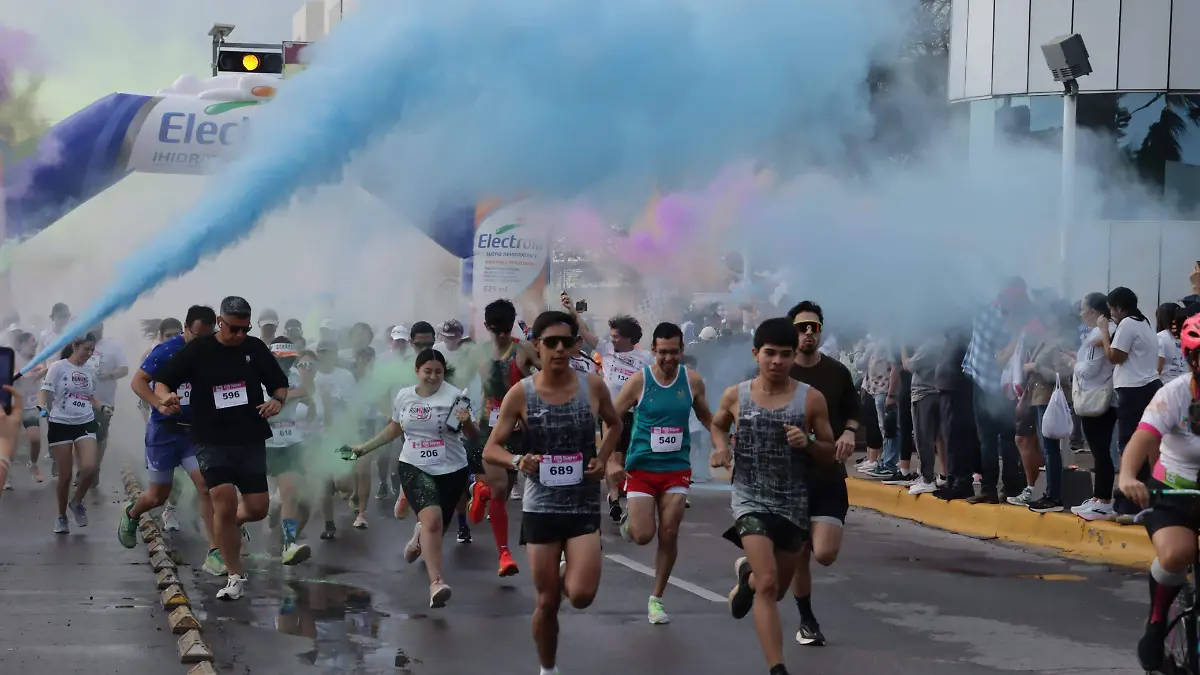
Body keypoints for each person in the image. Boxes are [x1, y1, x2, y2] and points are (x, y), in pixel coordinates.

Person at [484, 310, 622, 675]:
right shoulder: (521, 393)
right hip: (541, 507)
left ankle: (573, 567)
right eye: (551, 343)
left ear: (576, 345)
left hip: (582, 504)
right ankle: (548, 669)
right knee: (546, 602)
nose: (559, 350)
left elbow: (615, 422)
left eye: (567, 342)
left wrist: (603, 459)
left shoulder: (592, 385)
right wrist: (518, 460)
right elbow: (490, 449)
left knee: (580, 595)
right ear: (537, 347)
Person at [710, 317, 835, 675]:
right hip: (749, 497)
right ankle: (777, 668)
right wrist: (720, 449)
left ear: (795, 356)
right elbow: (719, 423)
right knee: (768, 585)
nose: (777, 361)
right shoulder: (737, 394)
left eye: (784, 354)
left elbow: (829, 452)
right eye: (769, 353)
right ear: (756, 354)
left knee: (776, 589)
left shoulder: (810, 399)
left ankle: (747, 577)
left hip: (793, 502)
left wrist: (808, 442)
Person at [152, 296, 289, 601]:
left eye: (245, 329)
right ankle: (234, 575)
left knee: (257, 509)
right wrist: (165, 398)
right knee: (223, 502)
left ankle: (229, 525)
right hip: (211, 438)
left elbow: (280, 384)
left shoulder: (254, 349)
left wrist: (277, 401)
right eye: (234, 329)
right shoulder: (199, 350)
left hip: (250, 436)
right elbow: (162, 382)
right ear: (220, 323)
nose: (240, 335)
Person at [351, 348, 478, 608]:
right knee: (432, 520)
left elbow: (474, 436)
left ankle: (419, 535)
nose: (432, 377)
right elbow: (395, 428)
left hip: (452, 469)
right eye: (427, 371)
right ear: (417, 371)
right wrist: (365, 447)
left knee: (436, 528)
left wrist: (467, 423)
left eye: (438, 372)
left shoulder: (456, 397)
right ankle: (436, 583)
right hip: (414, 466)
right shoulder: (405, 396)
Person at [610, 321, 713, 625]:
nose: (668, 358)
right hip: (641, 467)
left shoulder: (692, 381)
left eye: (674, 352)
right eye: (663, 352)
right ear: (653, 350)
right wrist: (610, 461)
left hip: (676, 469)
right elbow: (612, 419)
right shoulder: (638, 381)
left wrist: (726, 440)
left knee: (669, 531)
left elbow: (707, 416)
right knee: (643, 535)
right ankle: (629, 523)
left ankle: (656, 599)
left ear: (682, 351)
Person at [1118, 311, 1200, 672]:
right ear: (1191, 357)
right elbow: (1141, 440)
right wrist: (1127, 476)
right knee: (1177, 554)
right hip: (1175, 493)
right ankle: (1155, 624)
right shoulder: (1175, 394)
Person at [120, 306, 222, 573]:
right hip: (165, 432)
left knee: (206, 486)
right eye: (196, 336)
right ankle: (132, 513)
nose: (201, 342)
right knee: (157, 497)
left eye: (207, 336)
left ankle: (215, 551)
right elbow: (137, 383)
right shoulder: (165, 351)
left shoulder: (214, 351)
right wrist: (158, 403)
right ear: (186, 328)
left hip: (194, 433)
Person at [783, 302, 858, 647]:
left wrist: (849, 432)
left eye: (814, 327)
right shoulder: (780, 373)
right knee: (799, 553)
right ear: (792, 332)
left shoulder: (837, 372)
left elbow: (853, 411)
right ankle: (807, 619)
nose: (808, 333)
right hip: (791, 476)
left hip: (827, 472)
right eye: (802, 327)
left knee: (825, 553)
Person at [563, 294, 654, 523]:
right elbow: (584, 333)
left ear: (629, 338)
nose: (612, 340)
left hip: (635, 415)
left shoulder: (645, 357)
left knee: (624, 459)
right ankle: (614, 501)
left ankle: (627, 491)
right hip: (610, 415)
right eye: (611, 336)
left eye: (616, 337)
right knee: (611, 456)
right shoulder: (605, 350)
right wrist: (573, 310)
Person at [465, 300, 538, 577]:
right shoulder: (477, 353)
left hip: (519, 429)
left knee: (502, 492)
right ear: (487, 328)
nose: (503, 335)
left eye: (507, 329)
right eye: (497, 331)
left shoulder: (524, 349)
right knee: (498, 487)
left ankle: (479, 492)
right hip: (488, 428)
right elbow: (454, 378)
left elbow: (552, 371)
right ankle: (504, 554)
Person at [1101, 287, 1163, 516]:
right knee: (1147, 447)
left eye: (1111, 310)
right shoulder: (1143, 322)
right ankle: (1147, 501)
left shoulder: (1126, 324)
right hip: (1148, 388)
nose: (1111, 315)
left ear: (1118, 307)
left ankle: (1129, 505)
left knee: (1129, 446)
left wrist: (1104, 332)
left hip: (1134, 391)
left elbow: (1115, 356)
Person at [39, 333, 102, 534]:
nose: (90, 354)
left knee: (90, 467)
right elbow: (45, 390)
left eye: (93, 350)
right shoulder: (58, 367)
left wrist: (103, 407)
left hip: (85, 421)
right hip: (60, 423)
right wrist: (41, 405)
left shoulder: (91, 370)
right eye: (86, 349)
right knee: (65, 477)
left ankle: (76, 502)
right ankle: (61, 516)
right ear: (75, 346)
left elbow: (90, 397)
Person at [264, 337, 314, 565]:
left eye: (289, 360)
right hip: (265, 441)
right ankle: (229, 530)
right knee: (253, 503)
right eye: (279, 360)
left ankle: (288, 543)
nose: (285, 365)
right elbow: (270, 403)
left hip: (291, 440)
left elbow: (307, 399)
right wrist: (298, 392)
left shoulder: (294, 375)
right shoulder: (259, 375)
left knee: (291, 491)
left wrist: (305, 392)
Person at [1069, 293, 1118, 521]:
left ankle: (1103, 500)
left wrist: (1073, 364)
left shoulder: (1099, 334)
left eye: (1083, 309)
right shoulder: (1106, 331)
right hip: (1102, 397)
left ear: (1095, 312)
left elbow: (1088, 370)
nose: (1081, 314)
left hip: (1095, 398)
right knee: (1100, 451)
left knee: (1100, 452)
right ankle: (1098, 498)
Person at [84, 322, 129, 487]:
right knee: (80, 436)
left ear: (102, 326)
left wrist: (109, 374)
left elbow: (124, 369)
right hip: (81, 399)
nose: (94, 329)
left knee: (100, 437)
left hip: (105, 401)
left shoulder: (113, 346)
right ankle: (84, 471)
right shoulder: (80, 344)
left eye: (97, 326)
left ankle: (95, 469)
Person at [13, 331, 46, 484]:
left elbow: (41, 372)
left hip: (31, 406)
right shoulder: (13, 359)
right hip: (12, 407)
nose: (35, 346)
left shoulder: (38, 360)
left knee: (35, 439)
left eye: (36, 343)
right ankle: (6, 475)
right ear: (21, 344)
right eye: (31, 343)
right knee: (11, 444)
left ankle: (33, 464)